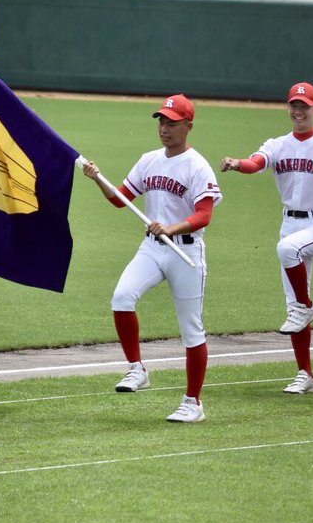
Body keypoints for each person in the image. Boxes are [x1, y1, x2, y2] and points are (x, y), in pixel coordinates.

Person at [81, 95, 222, 423]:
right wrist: (98, 178)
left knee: (191, 329)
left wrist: (172, 228)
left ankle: (193, 403)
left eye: (172, 123)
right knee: (121, 298)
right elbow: (121, 199)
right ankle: (137, 369)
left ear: (188, 126)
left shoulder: (197, 166)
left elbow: (204, 215)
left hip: (186, 252)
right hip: (152, 248)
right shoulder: (149, 160)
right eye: (161, 121)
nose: (164, 128)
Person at [220, 82, 313, 395]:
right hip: (290, 222)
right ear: (288, 108)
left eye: (305, 106)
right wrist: (237, 164)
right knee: (293, 305)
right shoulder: (277, 144)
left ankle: (307, 306)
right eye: (294, 105)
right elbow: (256, 163)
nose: (299, 111)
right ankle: (305, 375)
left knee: (288, 253)